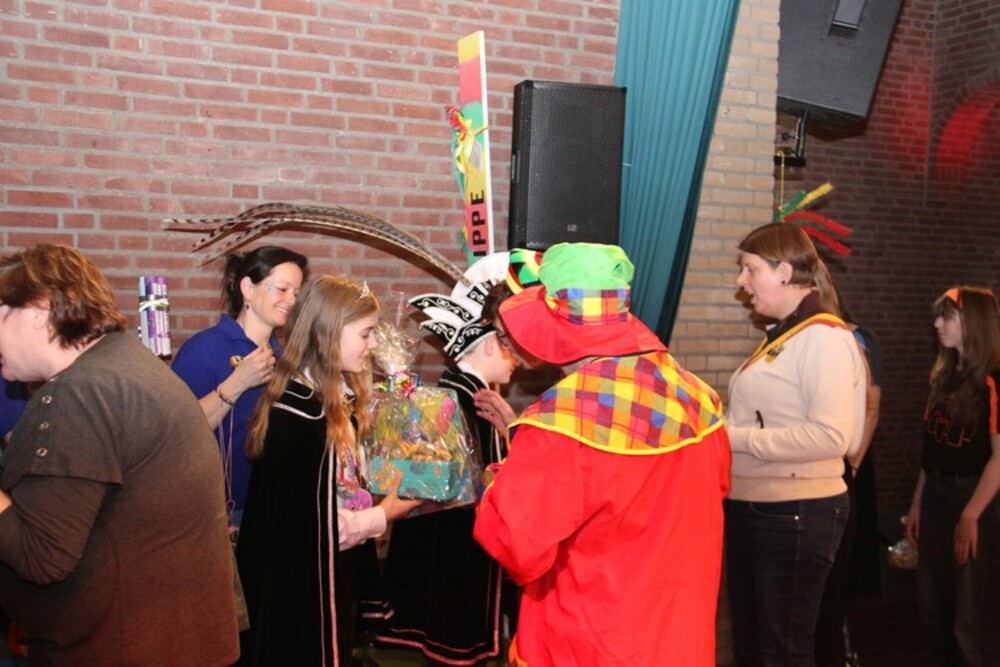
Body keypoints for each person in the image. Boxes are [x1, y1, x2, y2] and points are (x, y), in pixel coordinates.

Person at [473, 243, 731, 666]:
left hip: (587, 643)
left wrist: (496, 480)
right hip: (679, 640)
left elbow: (517, 543)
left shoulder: (559, 422)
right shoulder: (700, 399)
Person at [0, 243, 239, 665]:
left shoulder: (80, 392)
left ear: (37, 309)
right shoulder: (126, 365)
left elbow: (40, 556)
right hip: (174, 640)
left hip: (124, 646)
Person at [235, 274, 421, 666]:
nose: (373, 345)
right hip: (303, 591)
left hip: (334, 575)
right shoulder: (302, 415)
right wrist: (383, 515)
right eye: (366, 333)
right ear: (328, 335)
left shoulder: (334, 401)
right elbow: (310, 529)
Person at [724, 222, 867, 666]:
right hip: (758, 509)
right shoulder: (786, 335)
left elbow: (834, 436)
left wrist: (733, 437)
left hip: (794, 513)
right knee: (752, 650)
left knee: (781, 653)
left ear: (784, 272)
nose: (742, 281)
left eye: (750, 269)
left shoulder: (824, 337)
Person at [377, 253, 519, 664]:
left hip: (440, 565)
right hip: (459, 568)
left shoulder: (455, 392)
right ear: (490, 343)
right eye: (511, 347)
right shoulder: (472, 402)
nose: (518, 358)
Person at [172, 245, 307, 528]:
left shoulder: (282, 356)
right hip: (217, 511)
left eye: (296, 292)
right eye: (282, 289)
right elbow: (176, 431)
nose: (291, 300)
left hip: (267, 505)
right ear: (247, 288)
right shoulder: (204, 349)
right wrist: (237, 383)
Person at [904, 286, 1000, 666]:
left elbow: (999, 458)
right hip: (937, 495)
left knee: (970, 618)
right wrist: (918, 503)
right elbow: (932, 451)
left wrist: (971, 515)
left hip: (974, 499)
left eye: (947, 317)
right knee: (934, 609)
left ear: (973, 322)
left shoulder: (993, 379)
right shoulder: (942, 377)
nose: (937, 324)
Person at [814, 288, 885, 667]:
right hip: (828, 465)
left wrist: (853, 466)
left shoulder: (859, 338)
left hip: (848, 463)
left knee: (842, 566)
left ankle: (841, 646)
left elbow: (871, 407)